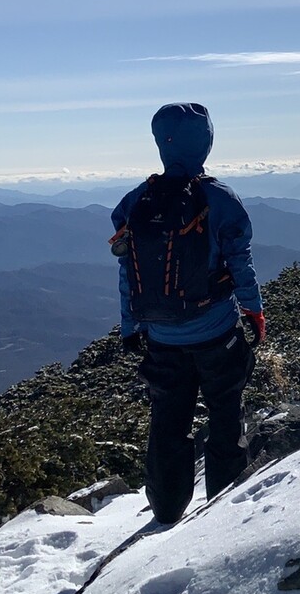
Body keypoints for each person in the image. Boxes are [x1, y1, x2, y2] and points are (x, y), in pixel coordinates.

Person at [111, 103, 265, 524]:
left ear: (162, 143)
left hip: (161, 339)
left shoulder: (134, 203)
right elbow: (240, 263)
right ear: (206, 142)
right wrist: (253, 311)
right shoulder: (219, 199)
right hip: (217, 334)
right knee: (225, 415)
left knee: (167, 423)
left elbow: (129, 273)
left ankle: (165, 509)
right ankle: (221, 512)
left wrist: (131, 326)